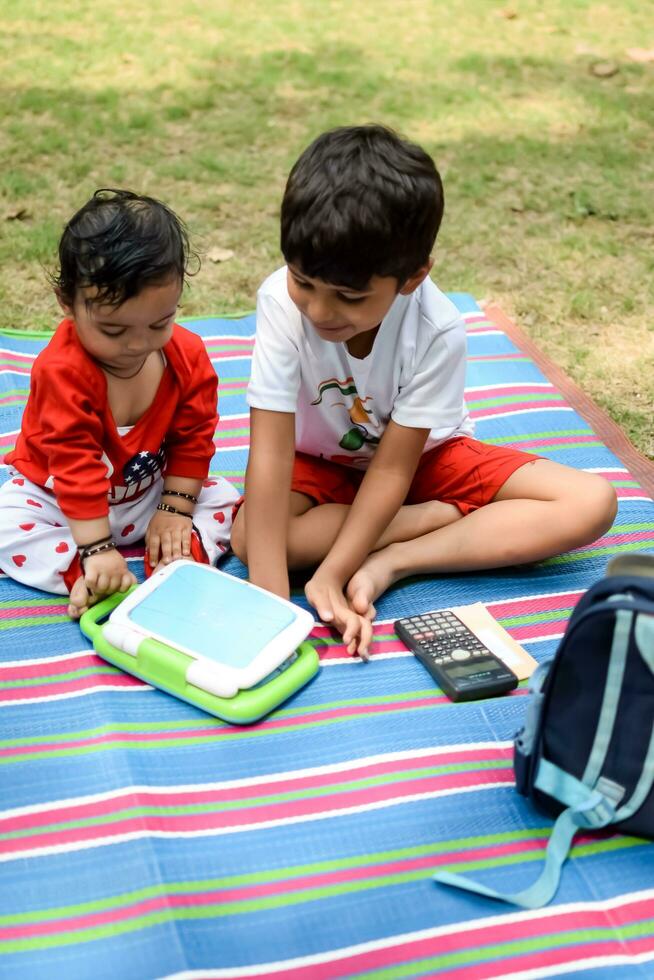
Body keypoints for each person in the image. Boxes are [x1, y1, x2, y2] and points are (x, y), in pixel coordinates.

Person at [231, 125, 618, 658]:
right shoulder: (279, 301)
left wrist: (339, 570)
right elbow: (271, 450)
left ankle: (398, 557)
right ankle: (427, 520)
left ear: (412, 278)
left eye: (348, 296)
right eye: (304, 282)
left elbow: (393, 468)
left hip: (423, 462)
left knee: (590, 501)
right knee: (252, 540)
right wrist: (268, 595)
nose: (319, 311)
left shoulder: (437, 328)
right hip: (319, 460)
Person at [0, 189, 238, 618]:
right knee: (6, 524)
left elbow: (194, 439)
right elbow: (73, 464)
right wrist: (95, 548)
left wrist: (173, 509)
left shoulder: (187, 358)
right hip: (58, 500)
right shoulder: (62, 371)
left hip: (147, 495)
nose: (137, 344)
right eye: (112, 330)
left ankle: (176, 557)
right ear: (66, 304)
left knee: (225, 497)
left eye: (159, 323)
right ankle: (90, 576)